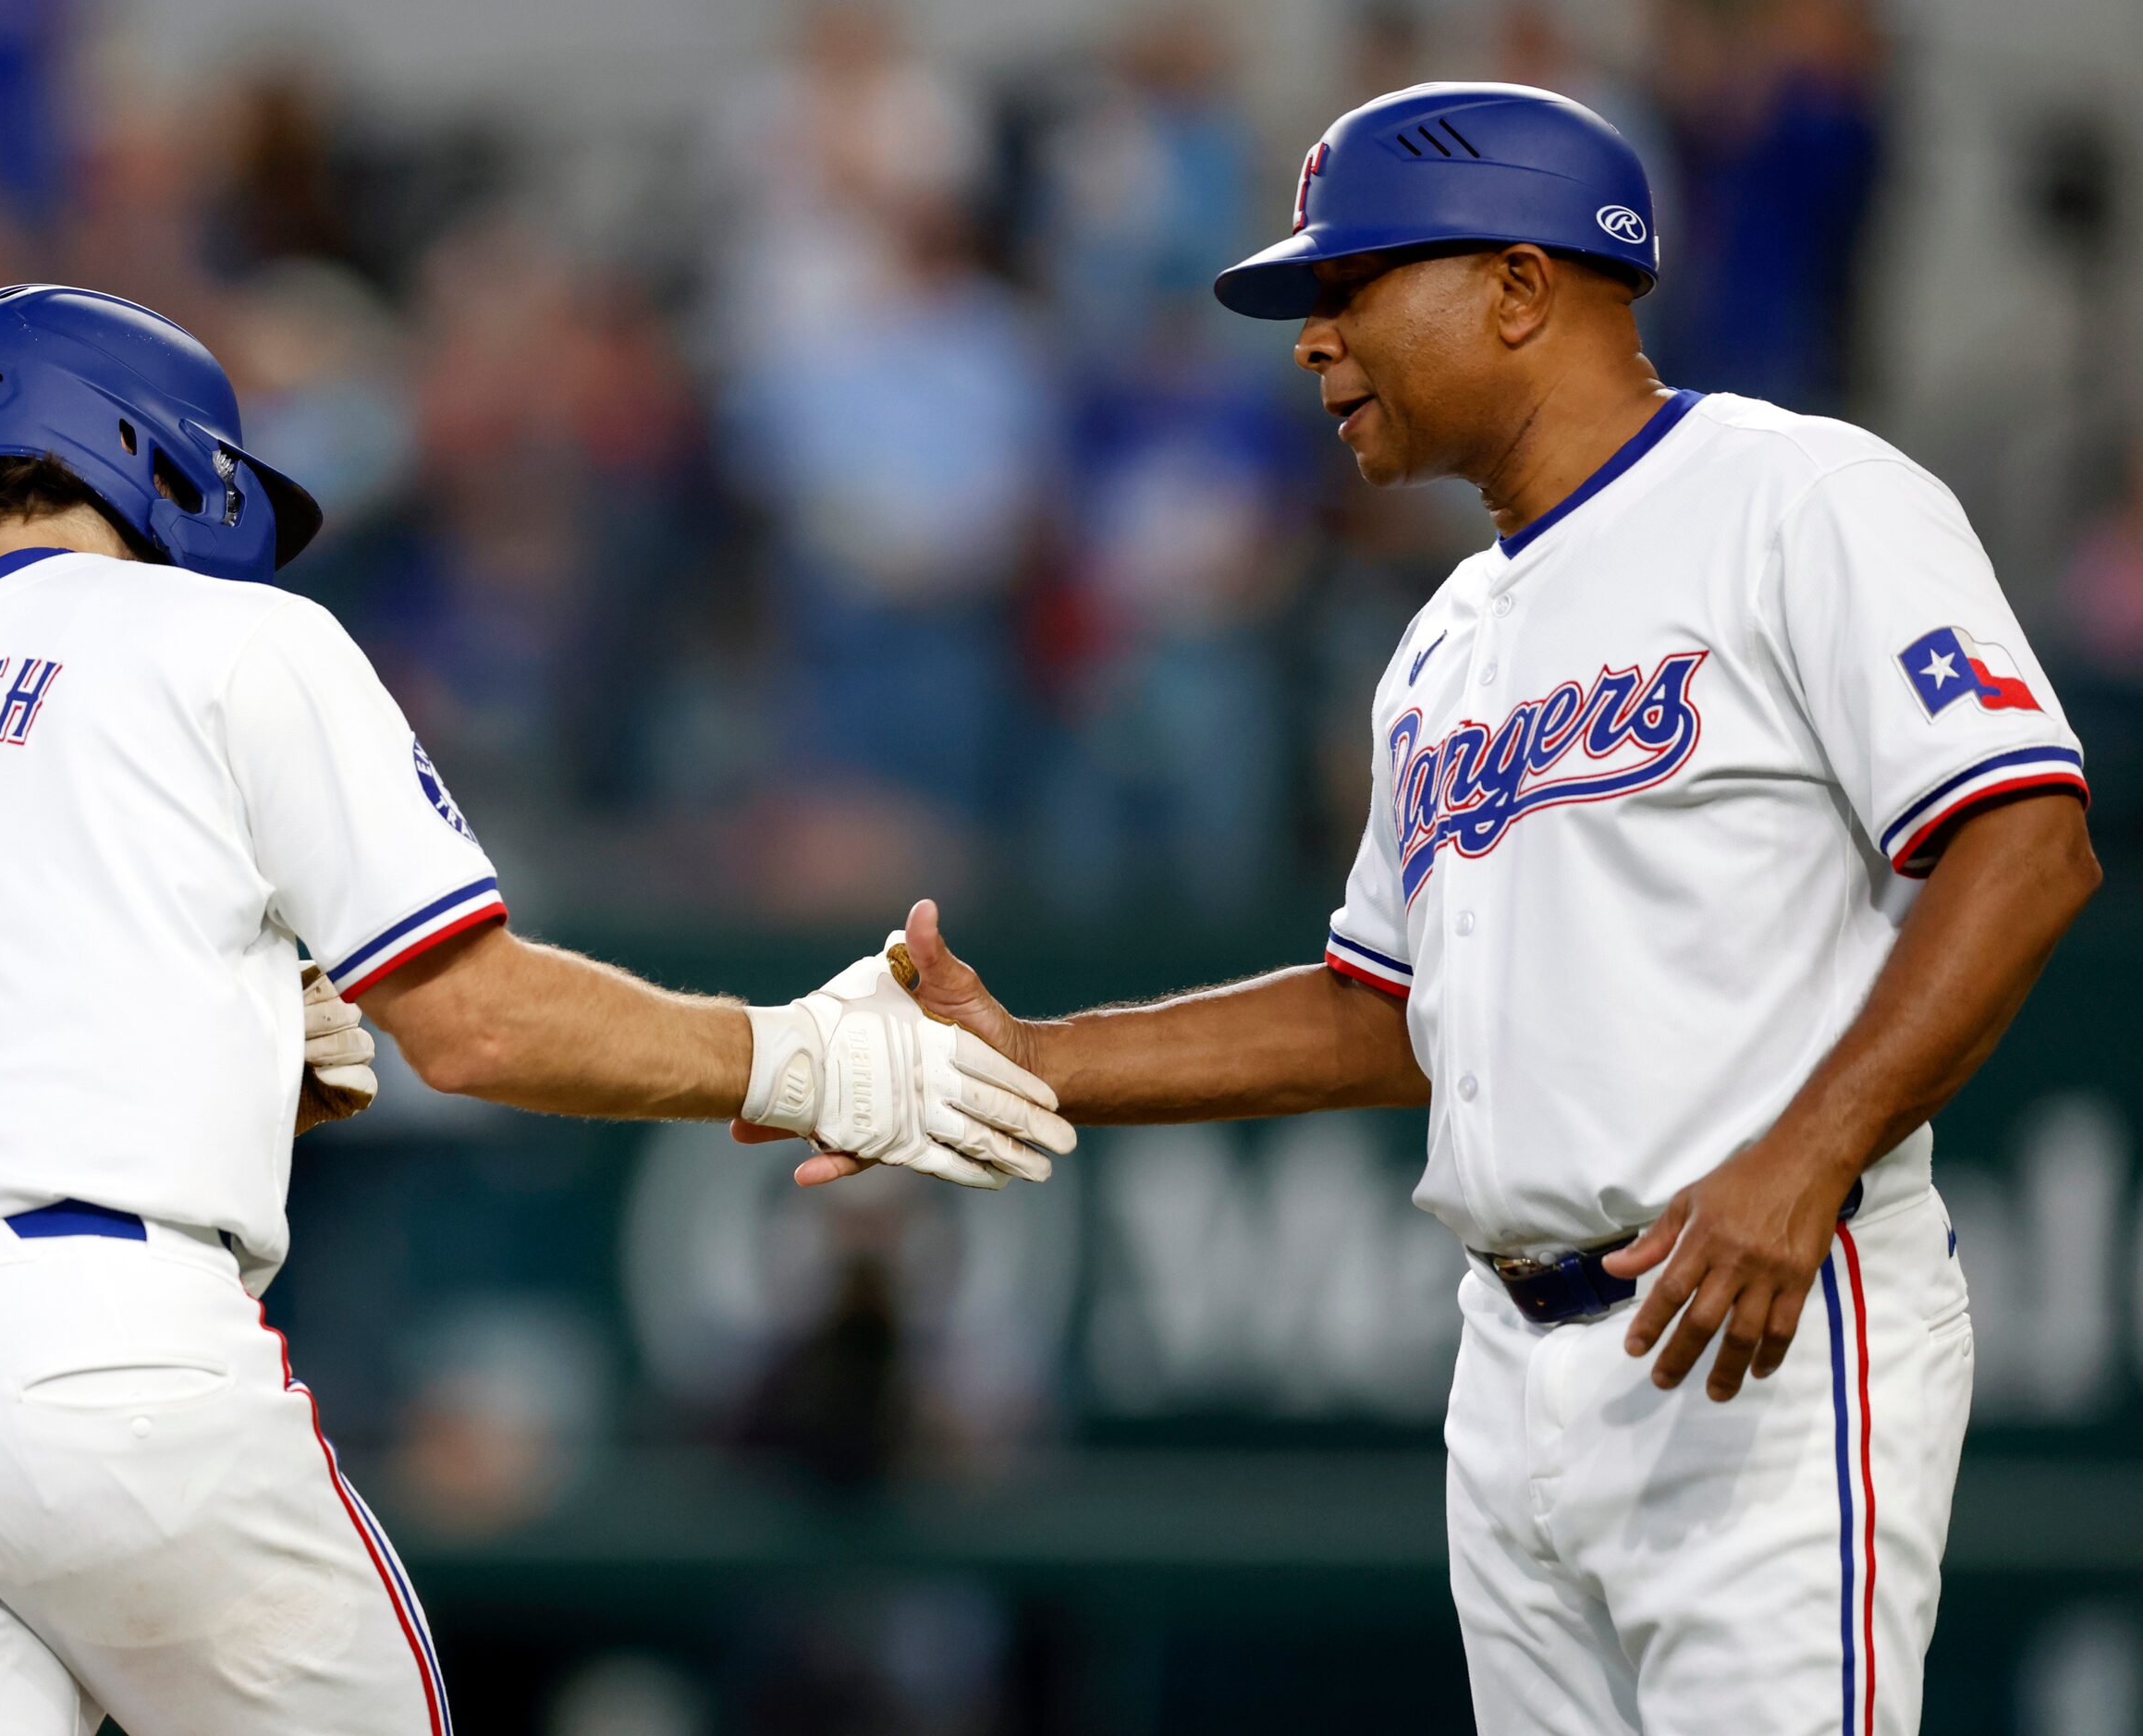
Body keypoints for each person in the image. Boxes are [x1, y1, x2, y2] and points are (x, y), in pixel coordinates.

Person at [768, 84, 2100, 1736]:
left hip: (1757, 1324)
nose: (1314, 343)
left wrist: (1808, 1151)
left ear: (1522, 290)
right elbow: (1376, 1010)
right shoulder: (1448, 635)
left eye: (1352, 287)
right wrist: (1024, 1056)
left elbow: (2026, 846)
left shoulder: (1798, 497)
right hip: (1513, 1358)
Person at [0, 284, 1071, 1735]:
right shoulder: (225, 639)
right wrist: (803, 1058)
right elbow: (476, 1025)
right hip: (94, 1341)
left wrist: (223, 1057)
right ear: (140, 450)